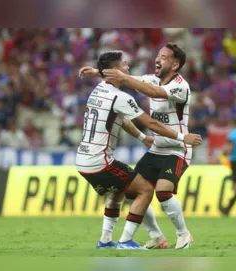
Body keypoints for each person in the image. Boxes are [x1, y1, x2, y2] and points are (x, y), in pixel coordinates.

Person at [76, 51, 202, 250]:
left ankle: (182, 234)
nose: (157, 59)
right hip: (156, 148)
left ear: (175, 65)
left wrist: (99, 73)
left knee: (159, 191)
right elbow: (146, 113)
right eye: (157, 54)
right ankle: (146, 239)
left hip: (176, 149)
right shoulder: (134, 88)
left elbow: (151, 92)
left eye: (164, 56)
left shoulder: (181, 85)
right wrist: (99, 72)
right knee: (140, 190)